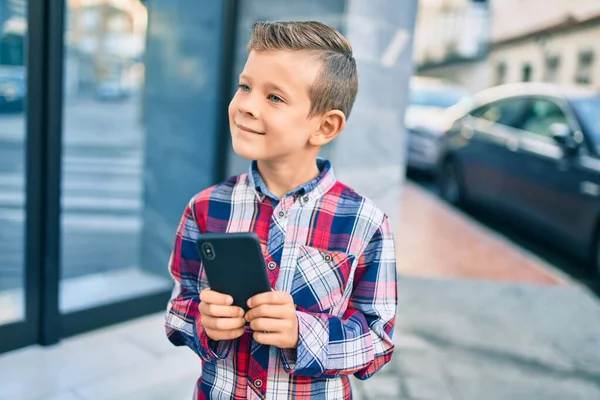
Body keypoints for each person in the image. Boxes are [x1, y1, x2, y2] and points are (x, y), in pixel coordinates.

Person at [165, 20, 397, 400]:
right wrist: (201, 322)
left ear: (324, 126)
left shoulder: (365, 223)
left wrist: (303, 333)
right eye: (245, 86)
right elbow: (178, 308)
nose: (246, 106)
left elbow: (378, 340)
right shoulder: (205, 208)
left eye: (274, 97)